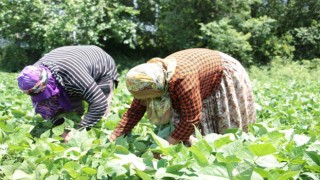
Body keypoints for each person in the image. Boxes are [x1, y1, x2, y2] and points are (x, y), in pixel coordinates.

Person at [110, 48, 256, 145]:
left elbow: (191, 118)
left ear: (158, 88)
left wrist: (166, 147)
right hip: (197, 69)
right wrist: (114, 136)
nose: (145, 101)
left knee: (220, 129)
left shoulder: (182, 79)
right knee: (185, 132)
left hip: (222, 72)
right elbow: (134, 111)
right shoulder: (149, 80)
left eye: (148, 97)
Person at [17, 45, 119, 142]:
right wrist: (62, 132)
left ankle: (103, 136)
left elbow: (99, 102)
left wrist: (79, 132)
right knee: (73, 109)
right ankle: (76, 123)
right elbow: (46, 109)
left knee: (101, 110)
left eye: (43, 92)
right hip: (70, 63)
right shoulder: (32, 76)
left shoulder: (72, 76)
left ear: (49, 82)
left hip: (100, 64)